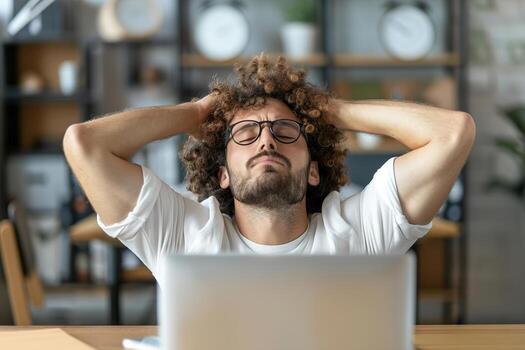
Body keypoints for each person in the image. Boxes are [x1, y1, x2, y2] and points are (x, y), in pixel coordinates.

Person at [63, 54, 475, 285]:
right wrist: (195, 113)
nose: (266, 141)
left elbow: (454, 132)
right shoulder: (183, 236)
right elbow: (85, 144)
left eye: (284, 129)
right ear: (222, 173)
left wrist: (334, 110)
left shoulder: (360, 233)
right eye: (244, 132)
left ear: (314, 170)